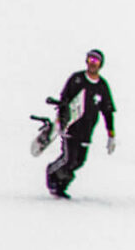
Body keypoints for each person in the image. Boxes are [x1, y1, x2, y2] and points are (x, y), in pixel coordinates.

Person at [46, 47, 115, 198]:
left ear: (101, 64)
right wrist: (61, 120)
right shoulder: (76, 79)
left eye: (96, 60)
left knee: (78, 162)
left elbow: (108, 111)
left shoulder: (102, 86)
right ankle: (52, 173)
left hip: (87, 131)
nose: (92, 63)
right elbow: (65, 98)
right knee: (68, 158)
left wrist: (111, 134)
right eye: (90, 59)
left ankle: (61, 186)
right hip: (71, 128)